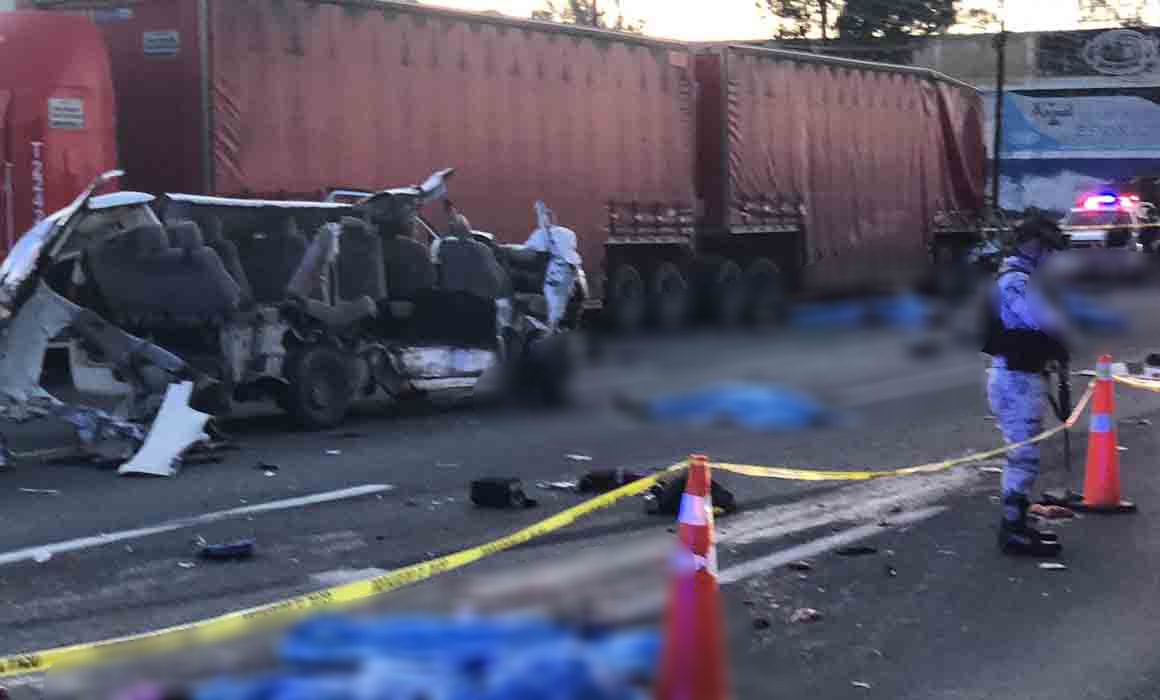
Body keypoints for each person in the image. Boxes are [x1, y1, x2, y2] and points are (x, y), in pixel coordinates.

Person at [983, 214, 1070, 557]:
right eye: (1049, 248)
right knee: (1023, 457)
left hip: (1022, 374)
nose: (1051, 256)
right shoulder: (1016, 281)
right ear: (1036, 245)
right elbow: (1041, 321)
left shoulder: (1022, 277)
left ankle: (1018, 522)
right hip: (1016, 378)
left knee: (1026, 455)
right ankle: (1012, 529)